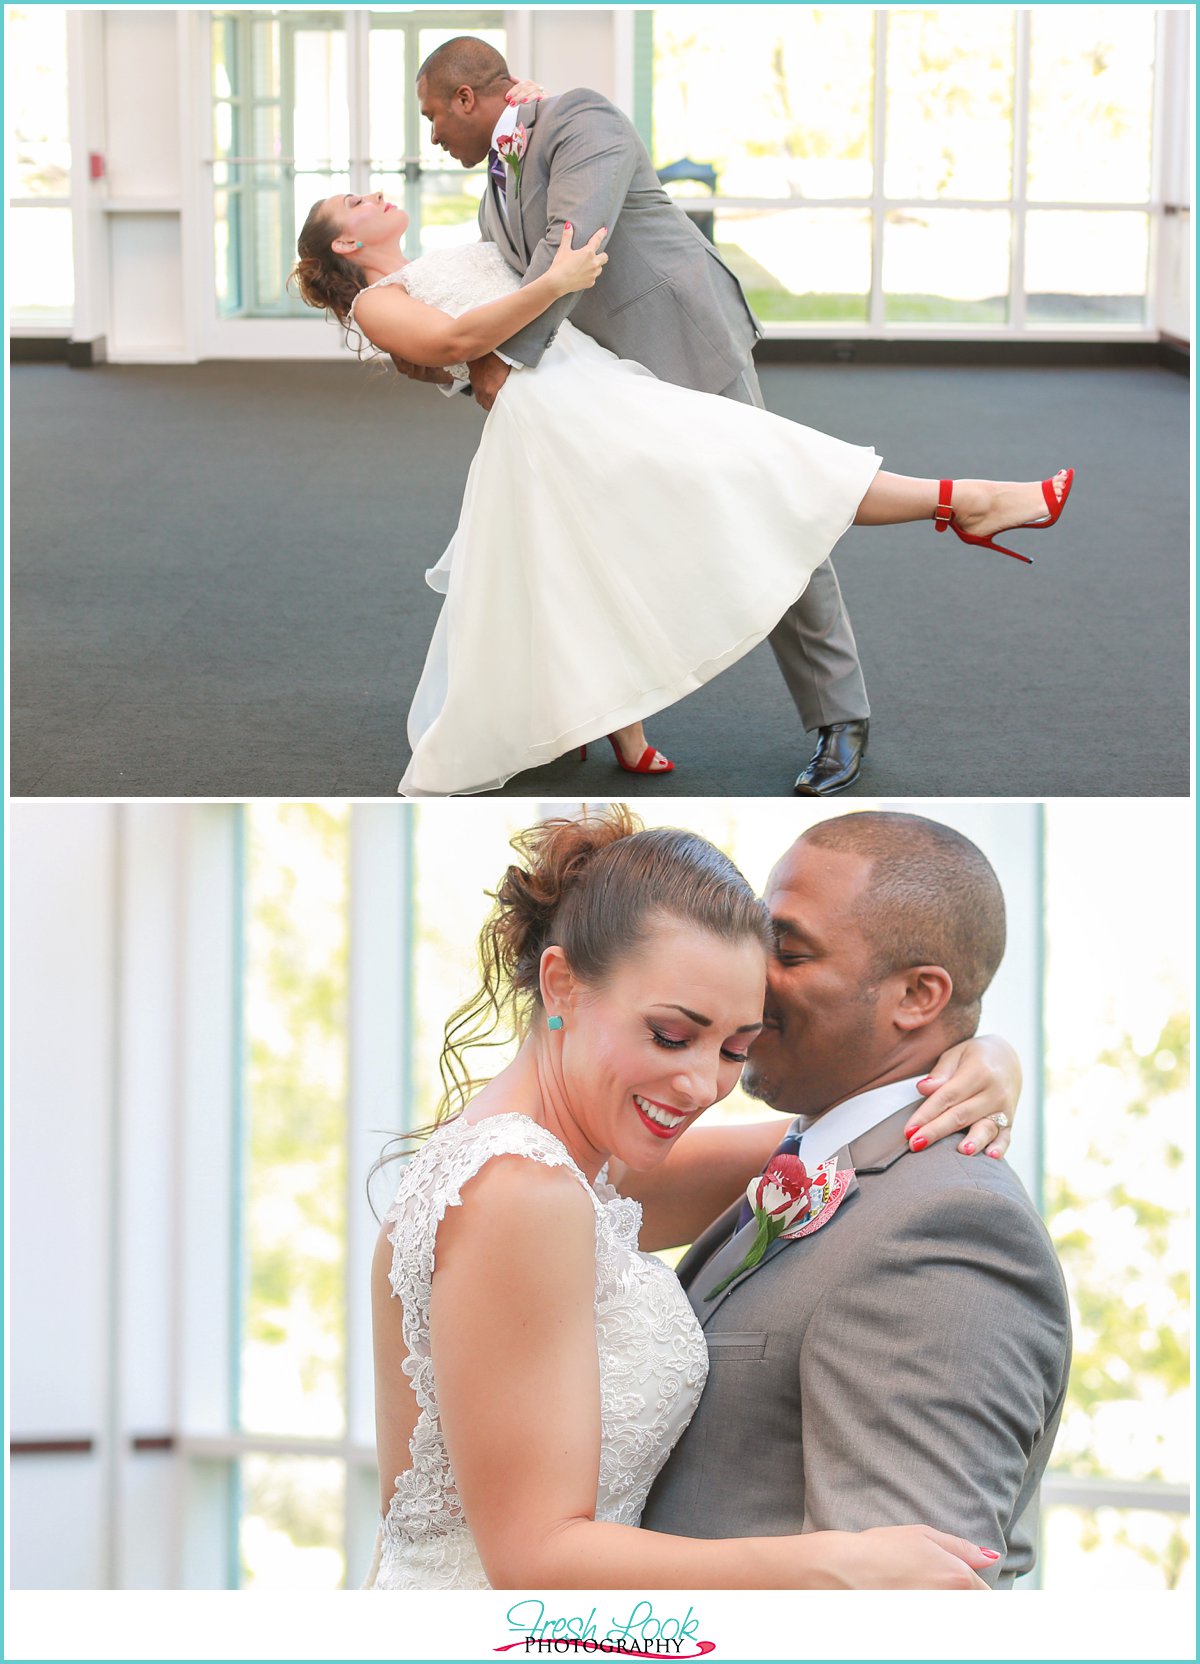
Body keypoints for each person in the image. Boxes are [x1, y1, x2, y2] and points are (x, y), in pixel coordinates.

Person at [363, 807, 1028, 1590]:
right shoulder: (522, 1191)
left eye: (735, 1048)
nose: (703, 1085)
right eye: (672, 1036)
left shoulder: (567, 1169)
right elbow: (534, 1557)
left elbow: (828, 1145)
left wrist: (974, 1059)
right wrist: (830, 1564)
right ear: (561, 983)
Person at [292, 184, 1072, 797]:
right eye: (354, 203)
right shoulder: (374, 301)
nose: (374, 195)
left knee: (596, 561)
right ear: (347, 243)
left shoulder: (456, 249)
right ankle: (965, 502)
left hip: (593, 385)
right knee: (763, 469)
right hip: (555, 416)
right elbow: (456, 342)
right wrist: (556, 282)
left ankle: (622, 731)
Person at [411, 36, 872, 798]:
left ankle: (840, 717)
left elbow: (570, 247)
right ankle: (575, 711)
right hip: (604, 381)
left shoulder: (581, 120)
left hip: (683, 343)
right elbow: (508, 277)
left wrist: (502, 363)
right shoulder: (495, 179)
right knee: (585, 536)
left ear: (468, 98)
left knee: (779, 504)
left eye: (433, 116)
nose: (432, 136)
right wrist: (459, 355)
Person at [636, 812, 1073, 1588]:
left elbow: (902, 1611)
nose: (749, 973)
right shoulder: (812, 1161)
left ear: (917, 995)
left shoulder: (952, 1230)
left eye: (788, 952)